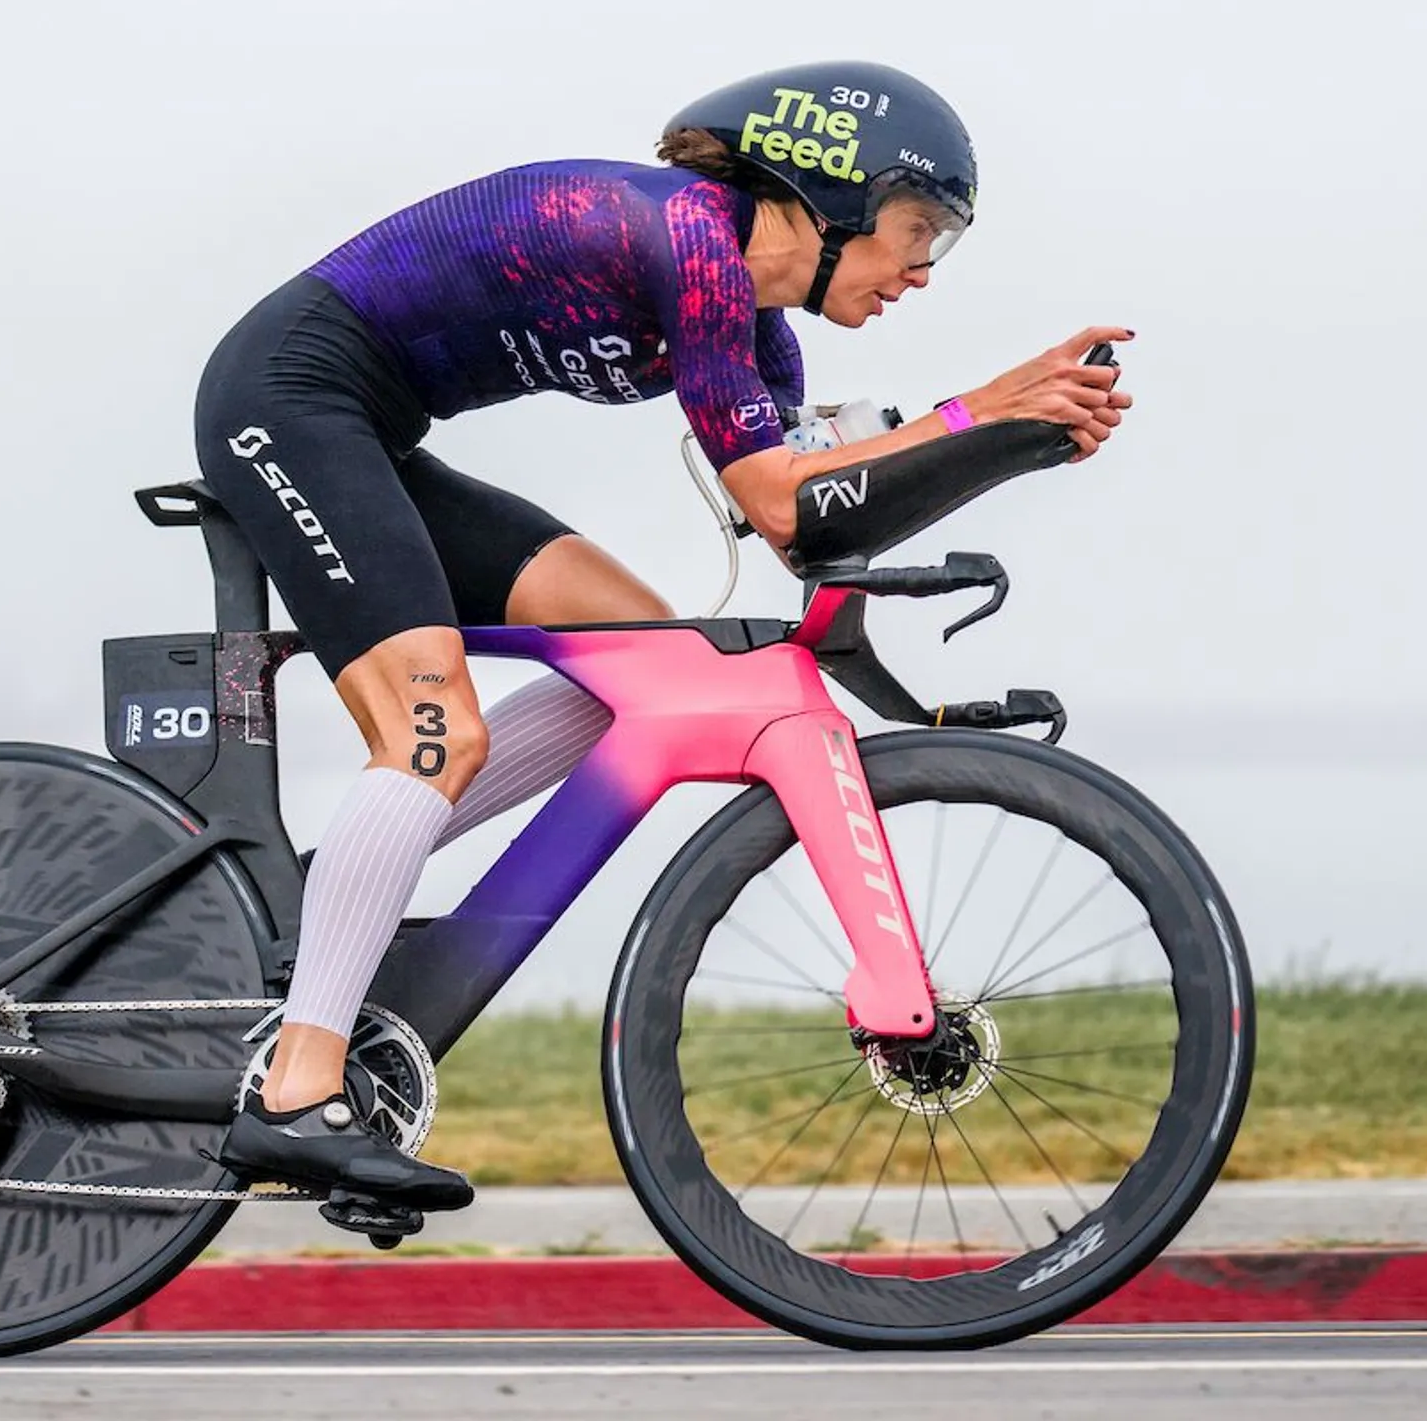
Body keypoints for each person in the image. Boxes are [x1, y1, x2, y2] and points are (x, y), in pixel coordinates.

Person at [196, 60, 1132, 1209]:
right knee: (432, 733)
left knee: (649, 661)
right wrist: (980, 409)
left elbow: (810, 525)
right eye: (917, 229)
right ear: (831, 193)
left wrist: (1010, 440)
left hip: (369, 432)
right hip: (287, 400)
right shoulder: (688, 236)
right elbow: (792, 500)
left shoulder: (760, 337)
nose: (922, 271)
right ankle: (296, 1094)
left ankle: (343, 883)